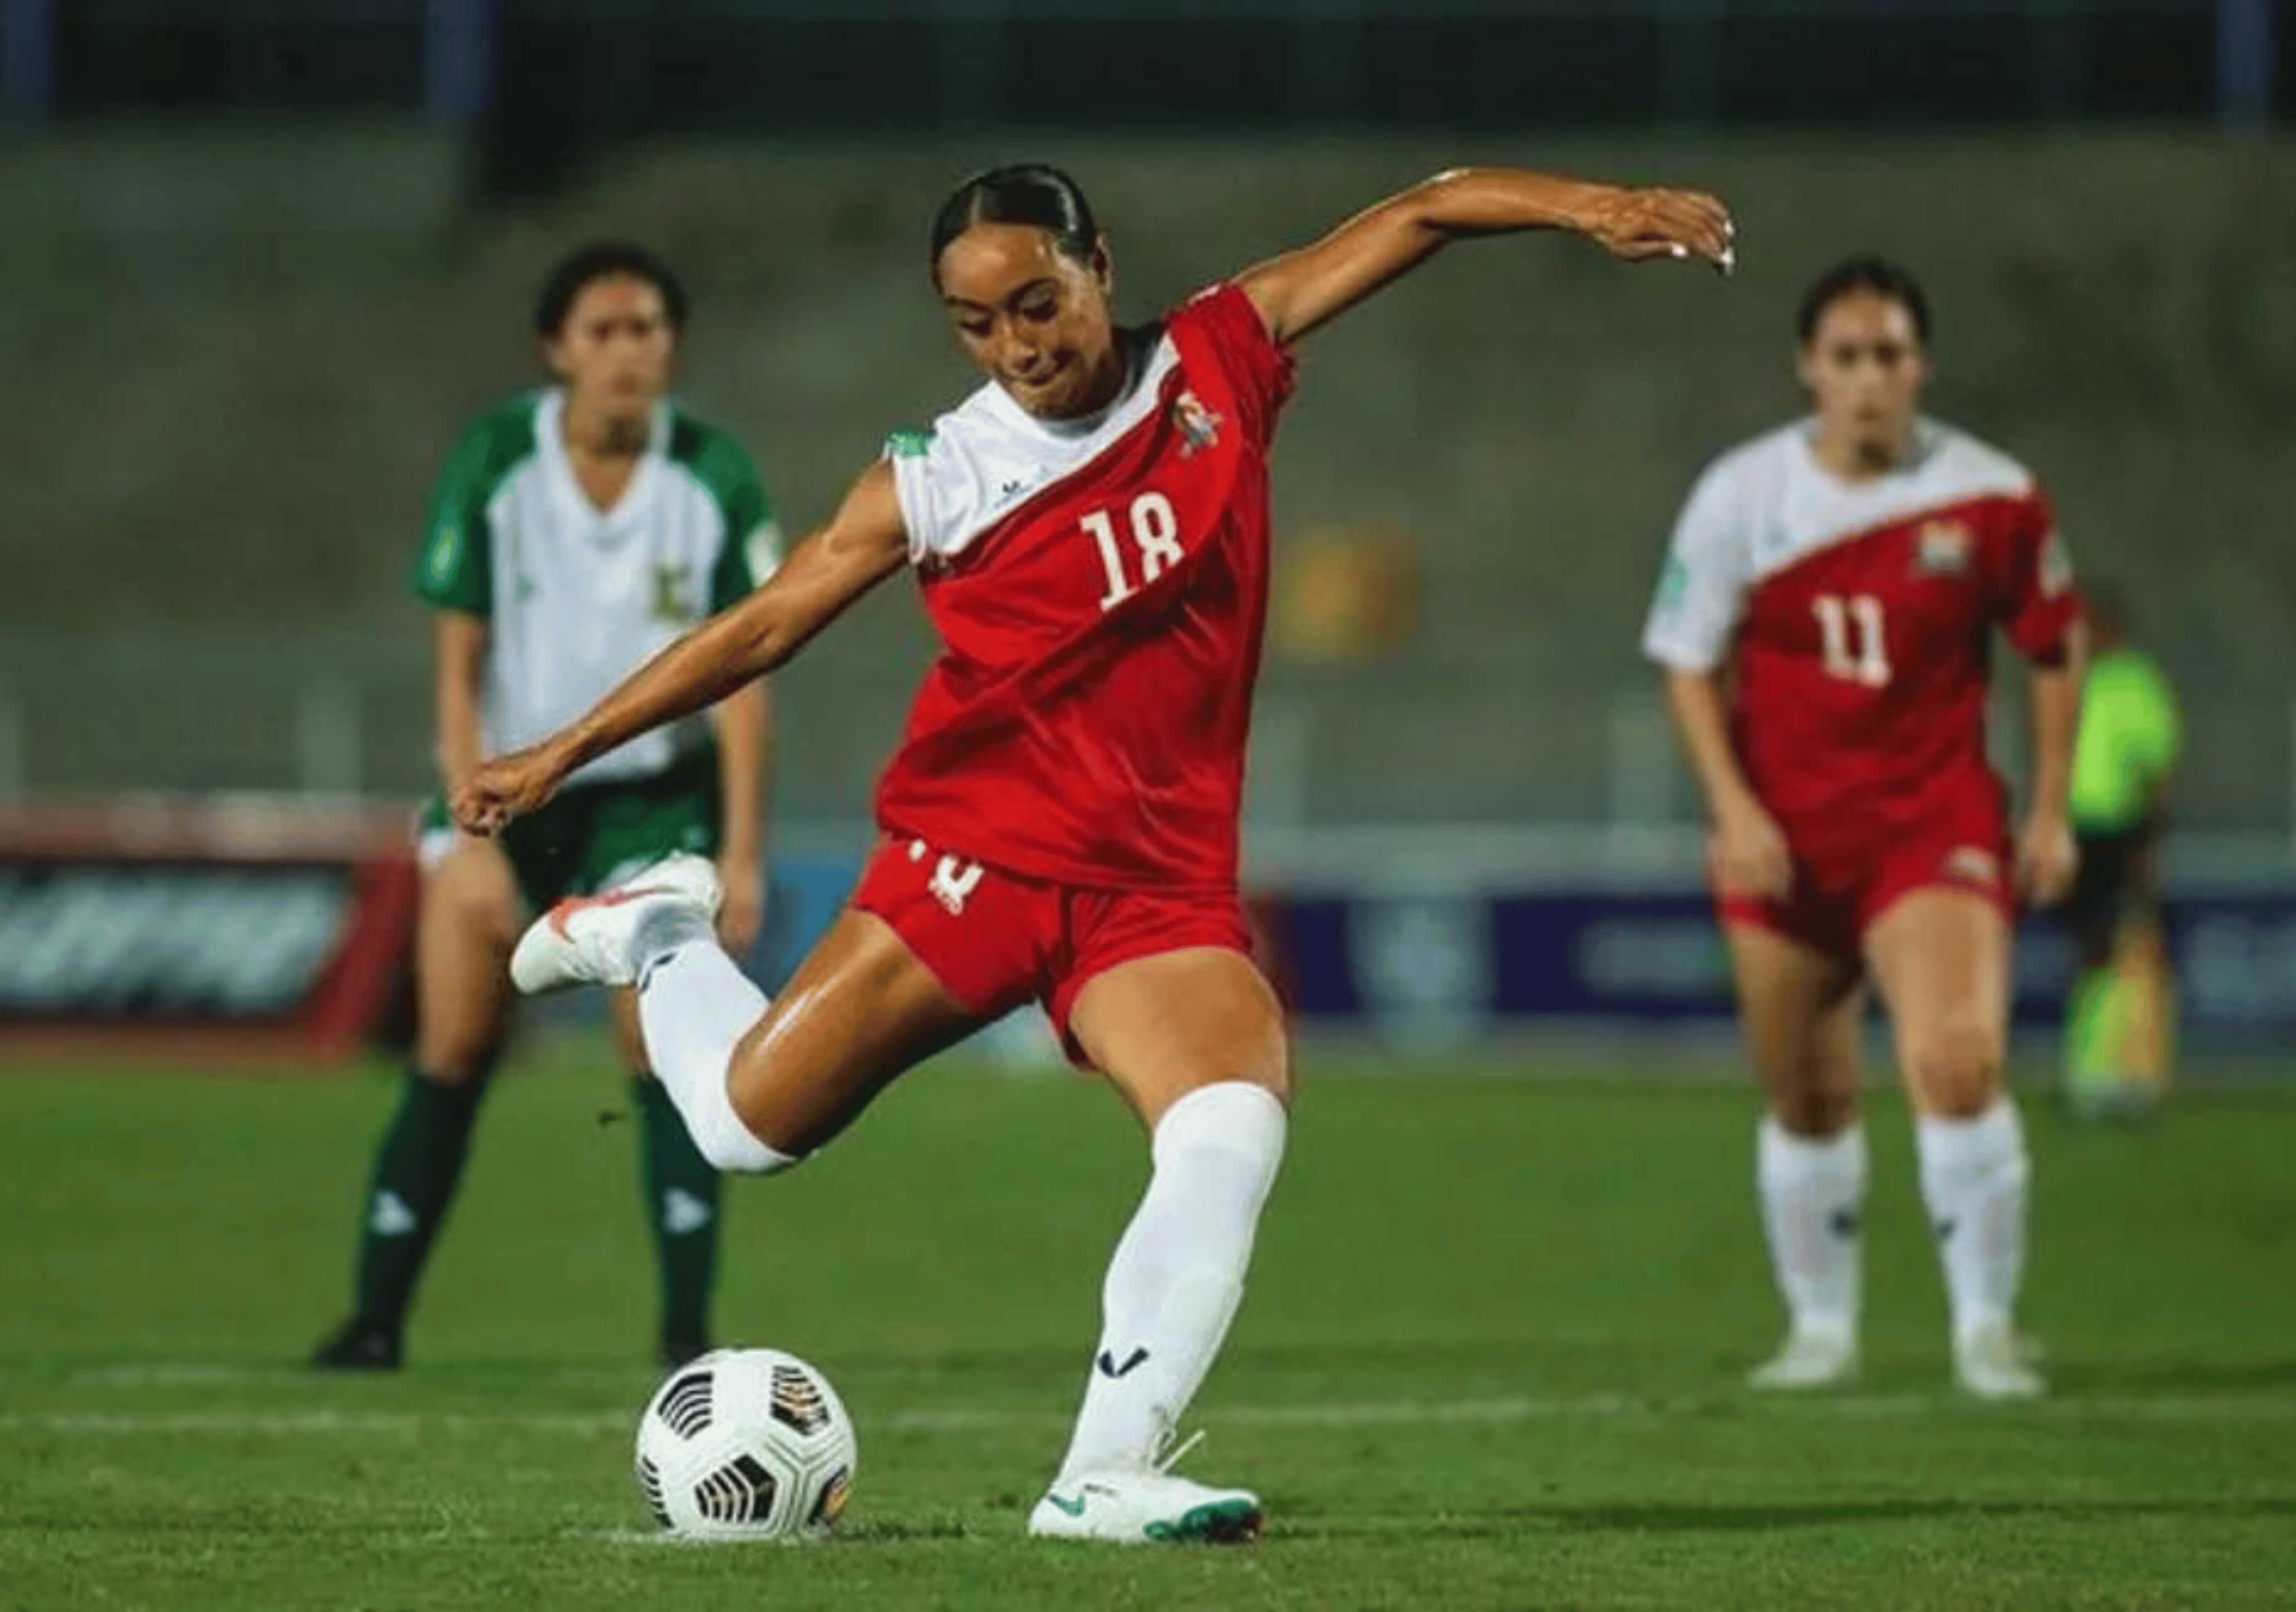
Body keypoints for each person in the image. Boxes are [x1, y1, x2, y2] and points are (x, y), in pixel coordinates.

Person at [451, 161, 1732, 1543]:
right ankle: (659, 936)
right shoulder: (941, 474)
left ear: (1098, 266)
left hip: (1154, 890)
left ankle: (1103, 1470)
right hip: (973, 864)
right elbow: (760, 627)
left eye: (1036, 302)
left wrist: (1589, 207)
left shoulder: (1218, 357)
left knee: (1229, 1123)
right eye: (977, 322)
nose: (1018, 344)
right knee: (742, 1133)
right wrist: (557, 752)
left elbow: (1419, 211)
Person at [312, 242, 779, 1372]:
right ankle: (375, 1321)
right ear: (557, 349)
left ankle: (683, 1334)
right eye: (605, 330)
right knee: (457, 1042)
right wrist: (469, 819)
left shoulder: (714, 476)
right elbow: (457, 662)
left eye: (649, 329)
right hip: (508, 794)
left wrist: (746, 849)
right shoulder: (495, 461)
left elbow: (748, 674)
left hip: (653, 803)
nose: (630, 351)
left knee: (657, 1050)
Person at [1642, 257, 2085, 1401]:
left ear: (1919, 366)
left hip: (1929, 822)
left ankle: (1986, 1327)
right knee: (1806, 1091)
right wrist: (1733, 811)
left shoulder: (1992, 496)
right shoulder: (1742, 494)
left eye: (1889, 354)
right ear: (1809, 370)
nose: (1869, 378)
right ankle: (1821, 1329)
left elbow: (2053, 645)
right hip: (1782, 837)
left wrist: (2047, 808)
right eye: (1847, 356)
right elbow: (1686, 663)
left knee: (1956, 1057)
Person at [2059, 580, 2181, 1118]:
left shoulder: (2136, 683)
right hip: (2075, 830)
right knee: (2093, 947)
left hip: (2117, 829)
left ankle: (2122, 1071)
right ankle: (2094, 1068)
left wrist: (2145, 841)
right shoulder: (2074, 681)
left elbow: (2156, 768)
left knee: (2120, 945)